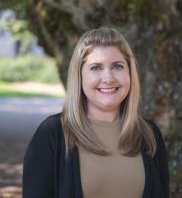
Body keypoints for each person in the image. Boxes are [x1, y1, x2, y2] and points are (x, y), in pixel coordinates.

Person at [22, 27, 169, 198]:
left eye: (117, 66)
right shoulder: (53, 133)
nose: (108, 78)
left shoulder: (149, 134)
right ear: (80, 75)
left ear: (129, 73)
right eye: (96, 67)